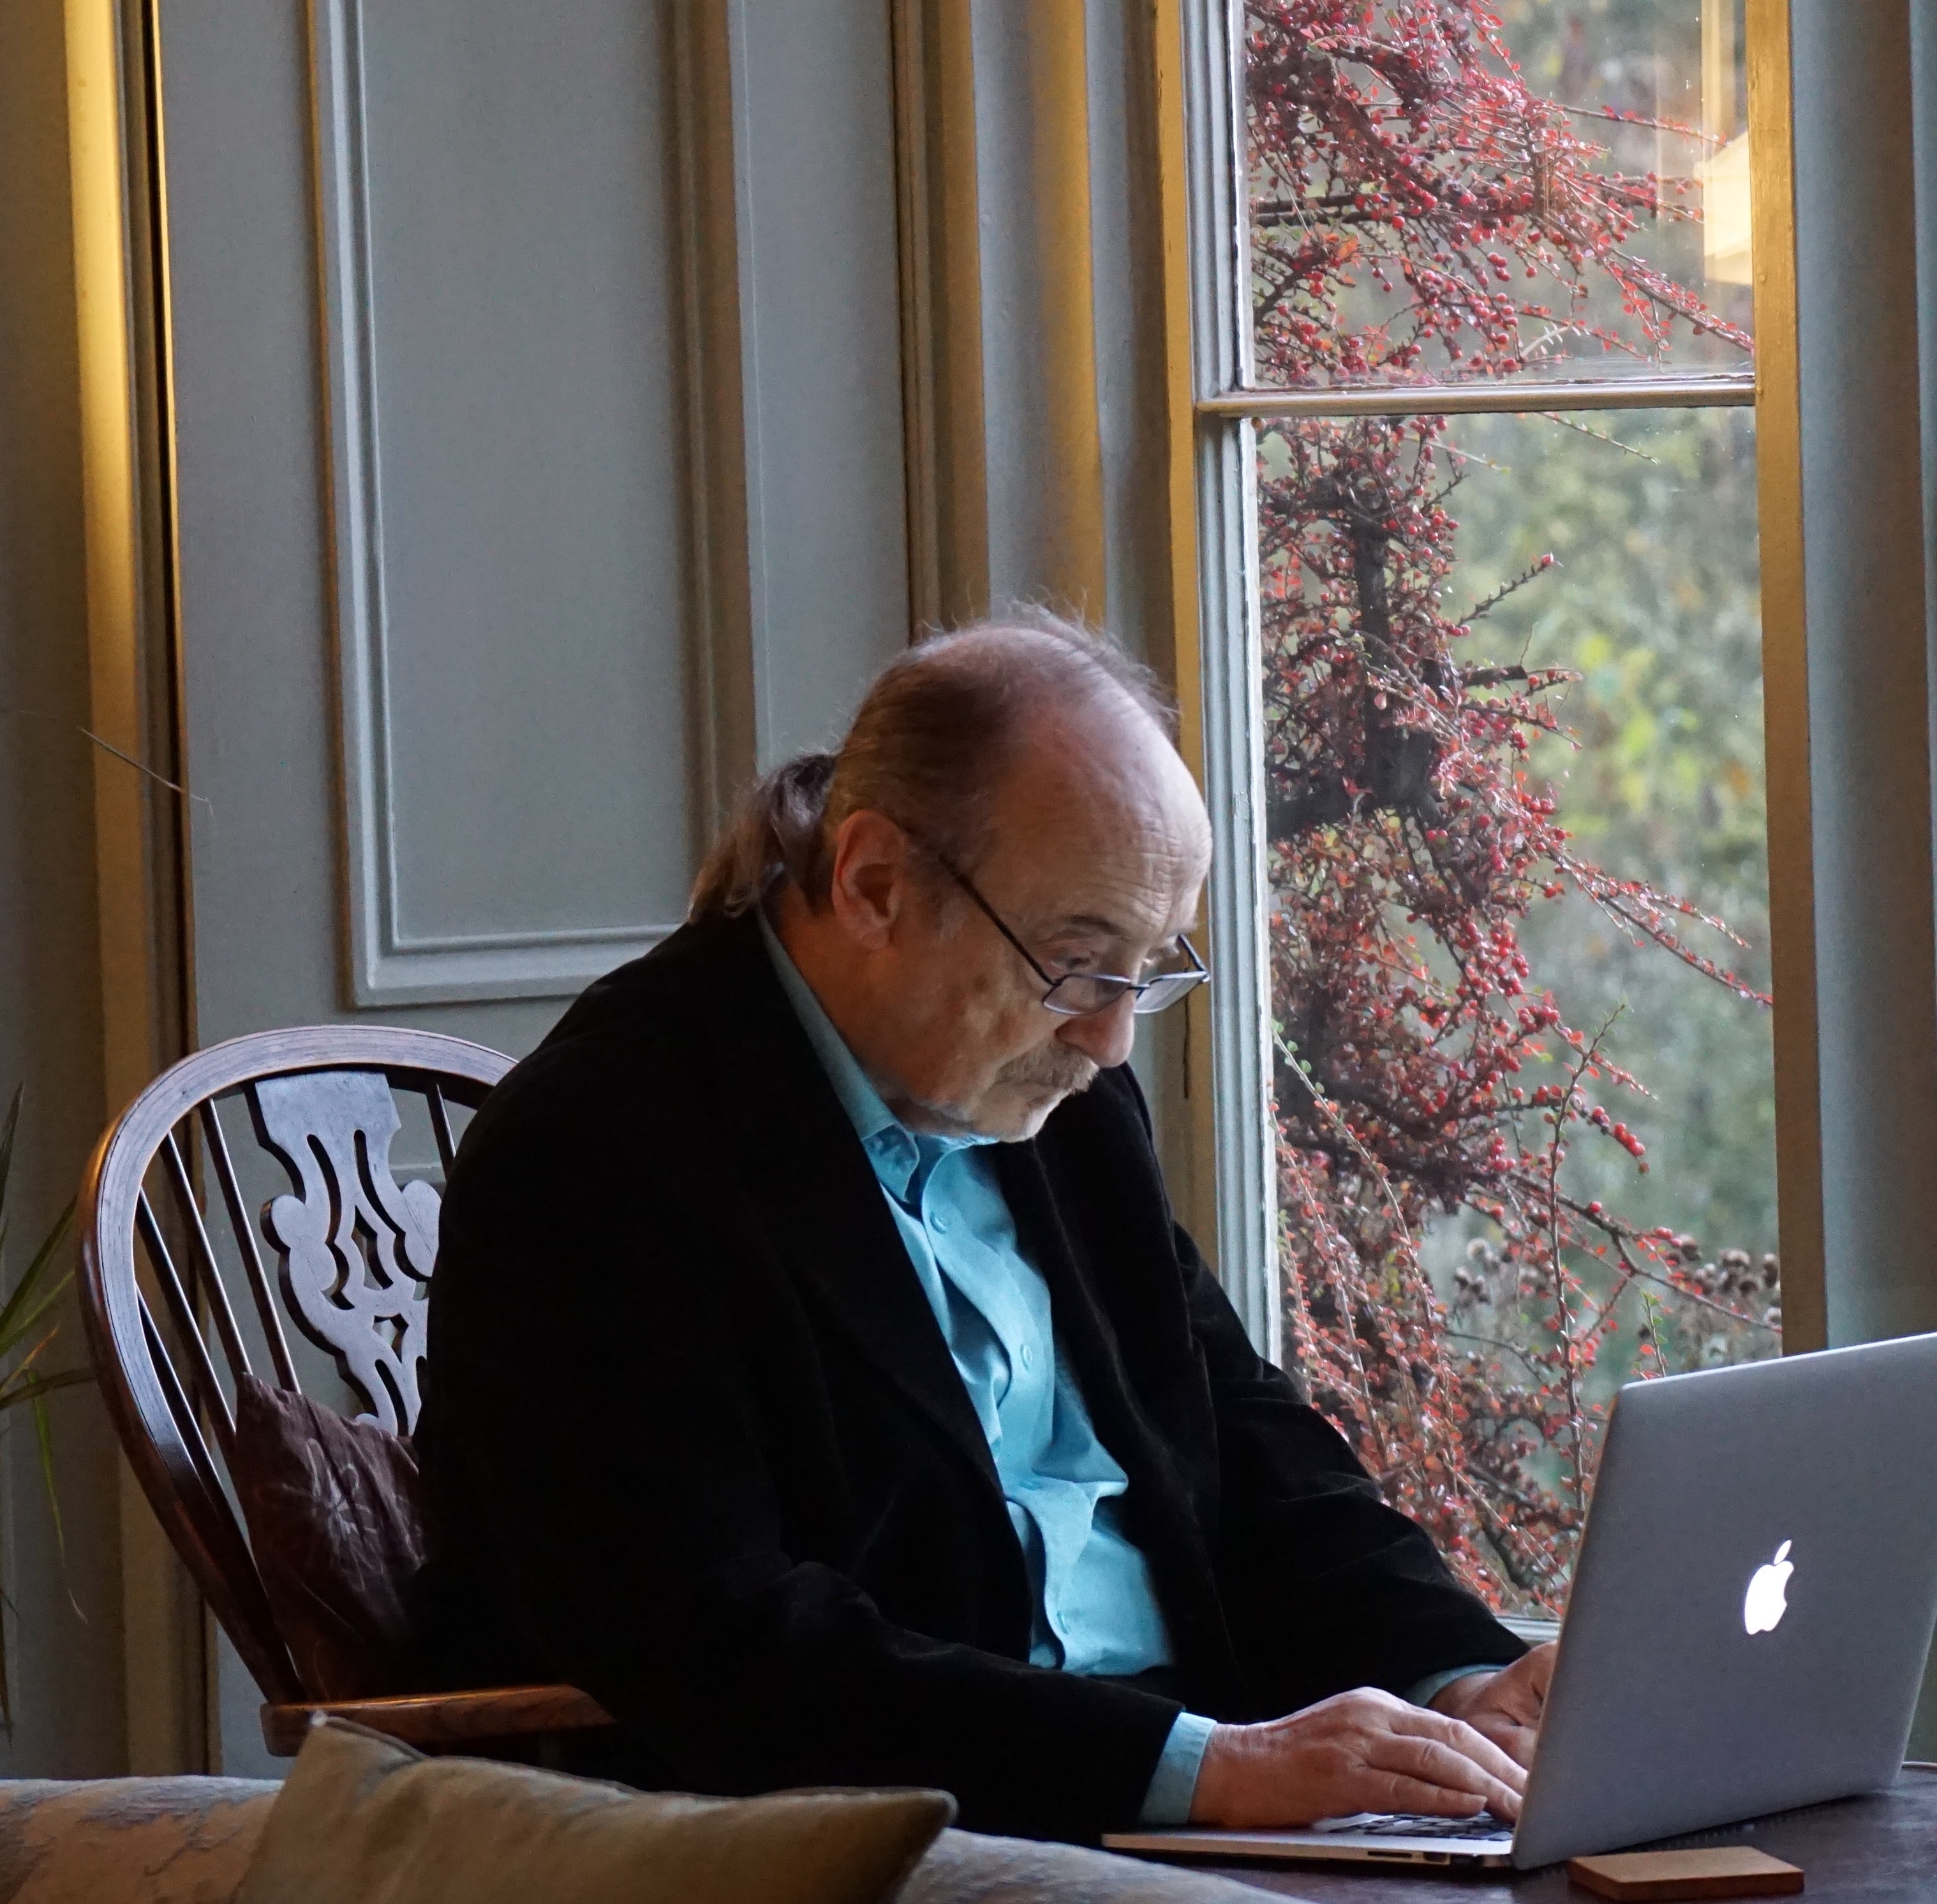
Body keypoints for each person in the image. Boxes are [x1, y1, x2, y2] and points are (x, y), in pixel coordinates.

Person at [416, 613, 1555, 1841]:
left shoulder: (1057, 1095)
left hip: (1191, 1808)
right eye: (1075, 962)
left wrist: (1461, 1674)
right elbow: (721, 1644)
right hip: (889, 1854)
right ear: (873, 885)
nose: (1112, 1038)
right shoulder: (598, 1152)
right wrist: (1205, 1770)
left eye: (1145, 970)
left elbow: (1236, 1433)